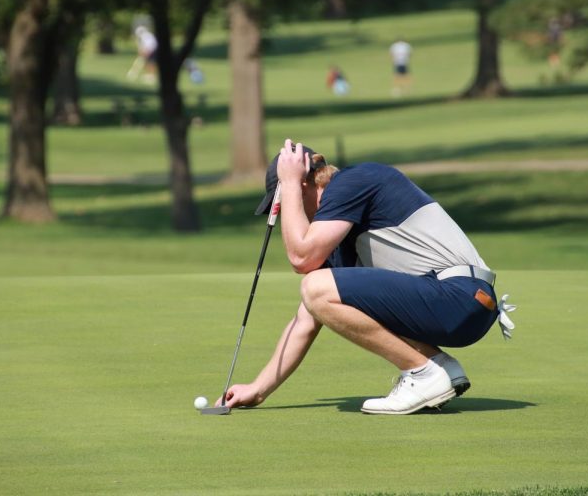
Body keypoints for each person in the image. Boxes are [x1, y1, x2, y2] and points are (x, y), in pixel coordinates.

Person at [219, 139, 516, 415]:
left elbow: (301, 258)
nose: (288, 213)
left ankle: (423, 373)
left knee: (314, 285)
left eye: (285, 203)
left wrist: (289, 184)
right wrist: (258, 389)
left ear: (306, 183)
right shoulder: (339, 237)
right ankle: (438, 366)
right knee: (316, 292)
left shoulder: (354, 181)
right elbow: (307, 317)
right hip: (455, 304)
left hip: (461, 296)